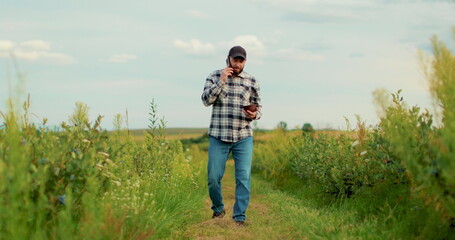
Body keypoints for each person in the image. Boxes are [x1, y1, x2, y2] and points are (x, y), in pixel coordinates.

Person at [201, 46, 262, 225]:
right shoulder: (214, 76)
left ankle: (239, 218)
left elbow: (259, 107)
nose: (237, 64)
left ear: (245, 61)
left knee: (243, 177)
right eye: (234, 60)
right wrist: (221, 80)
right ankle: (218, 209)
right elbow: (205, 101)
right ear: (228, 59)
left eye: (241, 61)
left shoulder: (252, 81)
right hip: (218, 135)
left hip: (243, 135)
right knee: (213, 177)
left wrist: (255, 115)